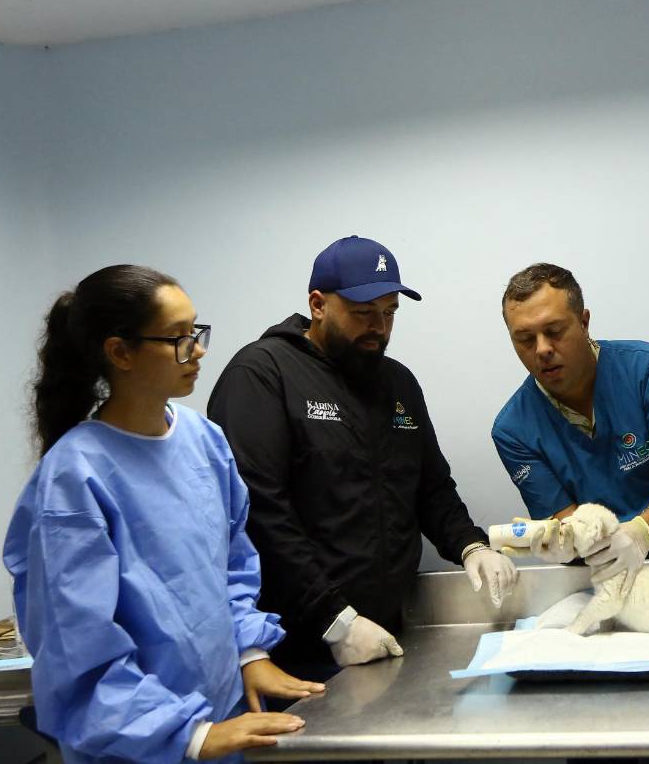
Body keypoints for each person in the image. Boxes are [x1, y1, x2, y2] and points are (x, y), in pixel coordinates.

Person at [2, 265, 322, 763]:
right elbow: (75, 652)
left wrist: (249, 653)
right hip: (138, 743)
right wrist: (189, 737)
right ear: (120, 352)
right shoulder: (74, 480)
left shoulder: (204, 441)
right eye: (177, 338)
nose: (198, 350)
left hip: (224, 717)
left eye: (196, 331)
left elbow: (232, 564)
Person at [208, 236, 516, 676]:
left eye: (389, 312)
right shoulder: (262, 374)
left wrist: (471, 545)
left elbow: (430, 486)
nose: (379, 327)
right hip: (299, 641)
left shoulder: (397, 383)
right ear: (318, 304)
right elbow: (260, 513)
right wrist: (334, 619)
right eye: (363, 313)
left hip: (387, 631)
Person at [492, 263, 649, 593]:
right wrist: (565, 541)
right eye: (524, 339)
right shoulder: (513, 429)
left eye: (554, 331)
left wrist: (641, 534)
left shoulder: (646, 369)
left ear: (584, 322)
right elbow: (568, 521)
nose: (542, 349)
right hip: (600, 576)